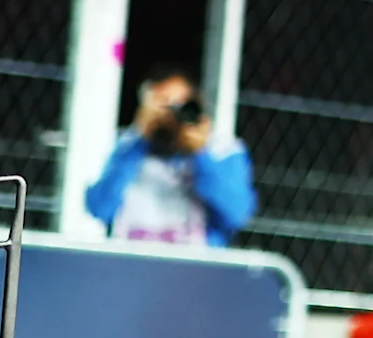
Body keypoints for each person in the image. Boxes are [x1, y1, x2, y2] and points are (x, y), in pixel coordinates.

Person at [84, 70, 256, 247]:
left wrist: (200, 153)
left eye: (180, 106)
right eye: (163, 105)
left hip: (198, 265)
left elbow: (237, 214)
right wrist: (140, 139)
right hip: (134, 260)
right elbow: (99, 208)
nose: (172, 117)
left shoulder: (221, 149)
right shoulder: (126, 147)